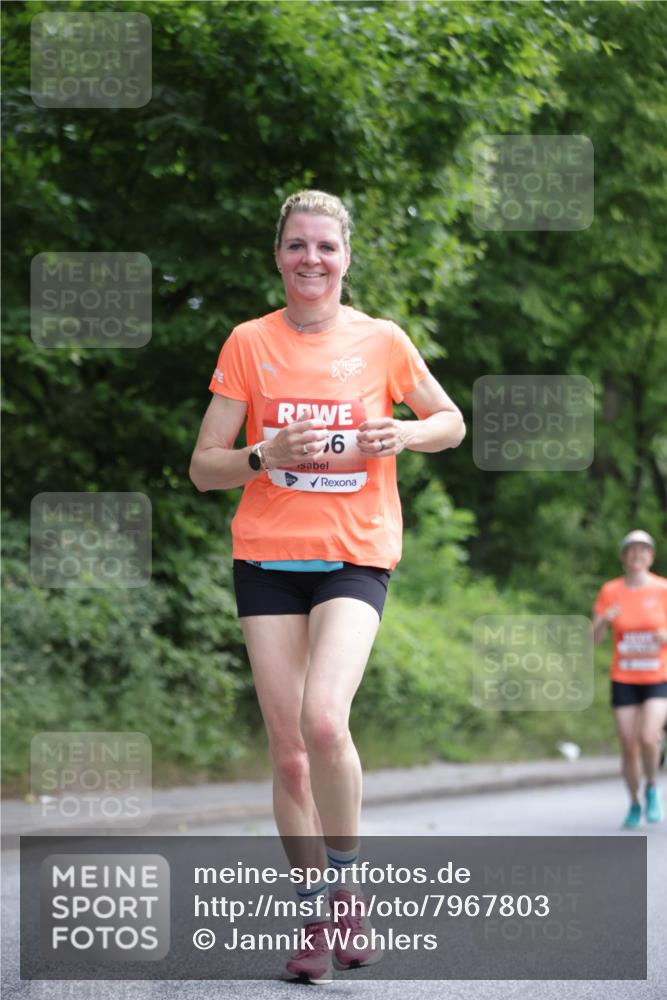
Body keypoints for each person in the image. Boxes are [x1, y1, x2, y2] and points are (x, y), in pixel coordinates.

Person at [189, 190, 466, 983]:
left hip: (354, 554)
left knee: (321, 719)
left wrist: (406, 430)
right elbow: (203, 468)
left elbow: (449, 421)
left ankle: (345, 888)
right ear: (278, 256)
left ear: (346, 258)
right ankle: (319, 913)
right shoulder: (249, 342)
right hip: (266, 558)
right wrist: (262, 452)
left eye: (326, 247)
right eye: (297, 246)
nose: (312, 260)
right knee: (288, 756)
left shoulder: (380, 341)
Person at [592, 530, 667, 829]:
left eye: (643, 551)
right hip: (624, 677)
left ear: (651, 557)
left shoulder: (663, 589)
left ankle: (652, 786)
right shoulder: (610, 591)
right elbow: (594, 640)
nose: (637, 556)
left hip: (657, 676)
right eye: (631, 551)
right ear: (623, 557)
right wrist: (603, 620)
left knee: (649, 736)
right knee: (628, 743)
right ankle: (634, 802)